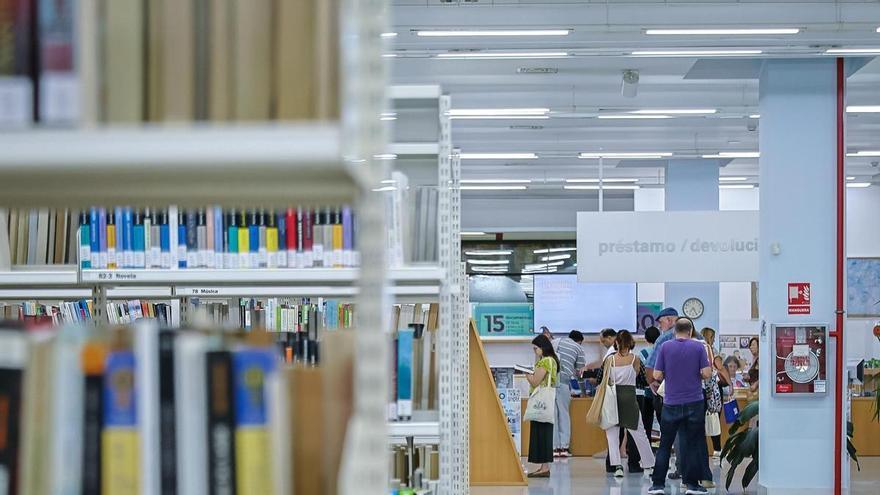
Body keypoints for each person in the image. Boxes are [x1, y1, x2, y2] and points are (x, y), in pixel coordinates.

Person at [648, 318, 712, 495]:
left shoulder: (665, 347)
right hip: (694, 402)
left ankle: (658, 485)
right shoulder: (699, 347)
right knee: (691, 444)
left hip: (671, 403)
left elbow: (657, 374)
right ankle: (691, 485)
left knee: (665, 445)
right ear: (690, 331)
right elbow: (707, 374)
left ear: (674, 331)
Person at [603, 330, 656, 478]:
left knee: (612, 435)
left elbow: (602, 379)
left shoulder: (609, 360)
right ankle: (649, 465)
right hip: (630, 399)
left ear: (617, 343)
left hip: (612, 400)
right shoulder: (635, 359)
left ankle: (617, 466)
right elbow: (643, 380)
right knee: (639, 433)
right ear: (630, 343)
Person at [525, 334, 559, 478]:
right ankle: (543, 466)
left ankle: (544, 467)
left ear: (542, 347)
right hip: (546, 403)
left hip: (541, 402)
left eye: (536, 348)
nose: (534, 351)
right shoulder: (552, 361)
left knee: (541, 433)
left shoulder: (546, 361)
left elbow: (535, 381)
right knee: (544, 432)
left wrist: (526, 373)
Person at [554, 330, 586, 458]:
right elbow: (580, 373)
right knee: (563, 414)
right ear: (579, 341)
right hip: (563, 383)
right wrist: (583, 392)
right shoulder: (578, 348)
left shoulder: (555, 342)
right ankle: (564, 447)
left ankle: (554, 448)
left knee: (553, 416)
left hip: (549, 383)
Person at [701, 327, 723, 457]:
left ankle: (704, 450)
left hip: (702, 389)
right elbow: (719, 369)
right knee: (714, 418)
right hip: (713, 390)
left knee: (702, 421)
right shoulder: (712, 351)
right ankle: (717, 449)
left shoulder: (697, 350)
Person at [639, 326, 661, 438]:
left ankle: (647, 449)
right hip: (661, 390)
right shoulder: (662, 350)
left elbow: (641, 373)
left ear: (646, 339)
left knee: (646, 421)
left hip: (647, 391)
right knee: (663, 420)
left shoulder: (642, 353)